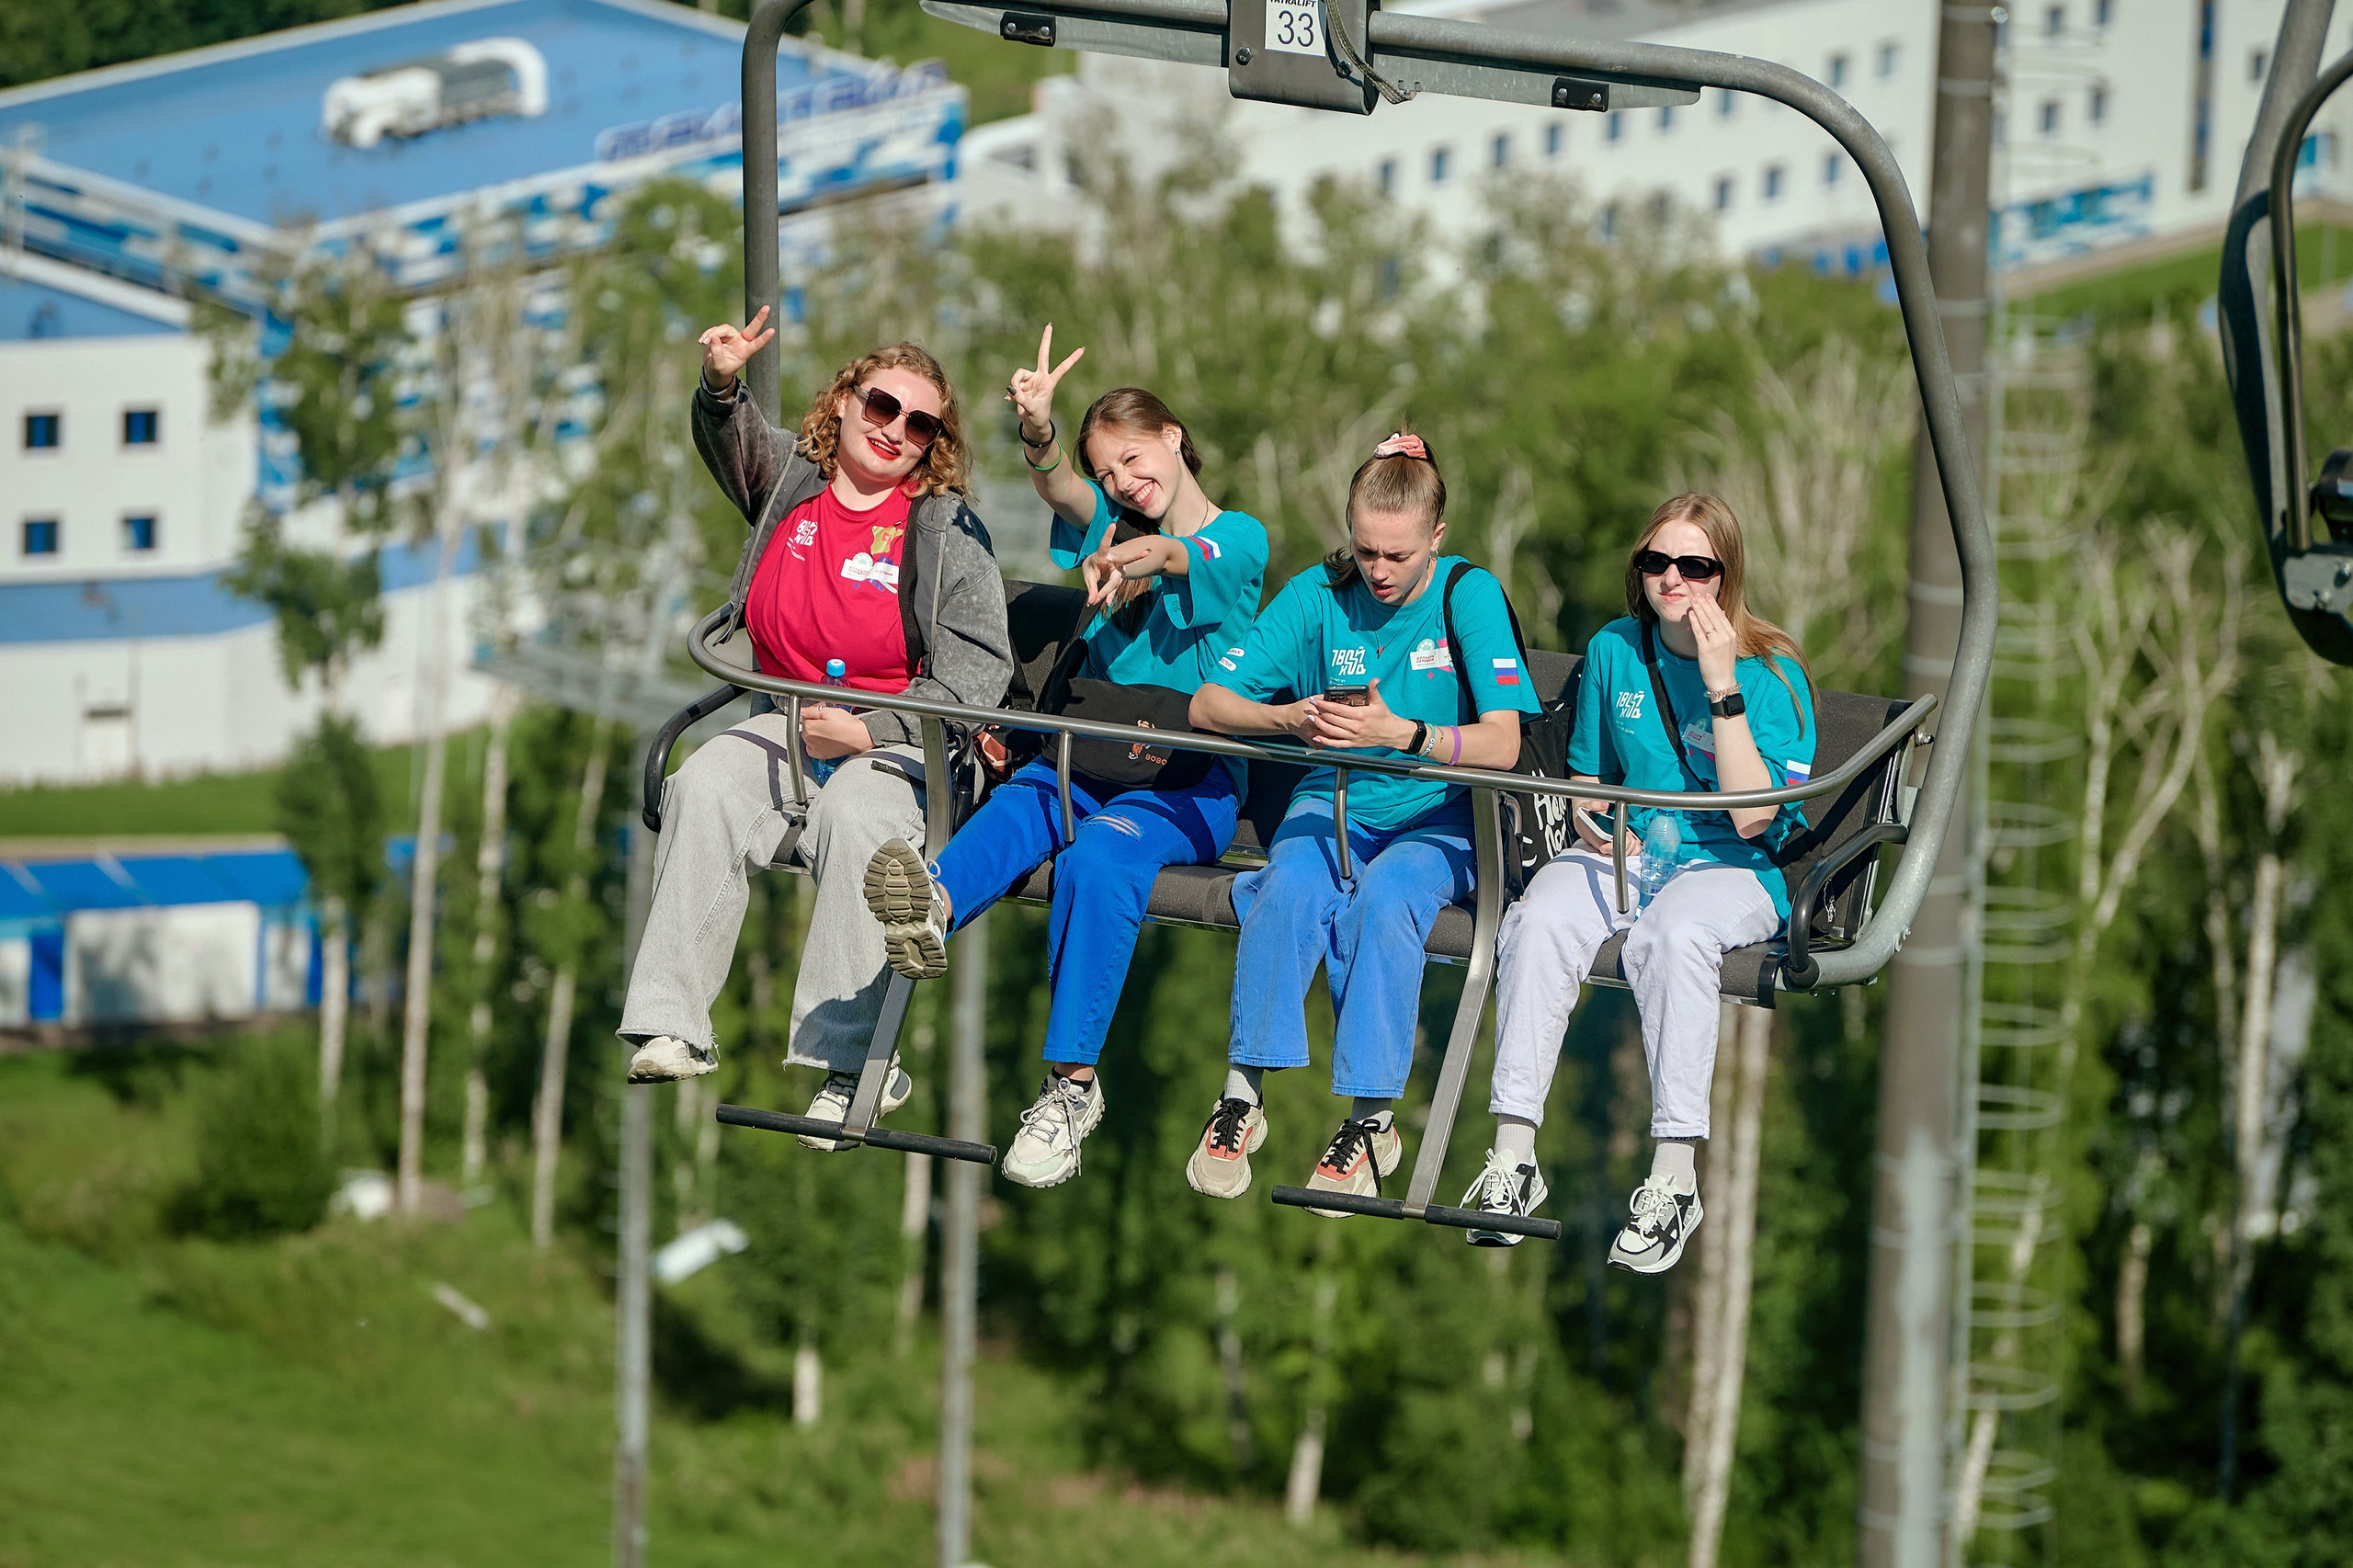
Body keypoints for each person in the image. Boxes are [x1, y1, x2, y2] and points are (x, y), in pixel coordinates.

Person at [860, 327, 1267, 1189]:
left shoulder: (1238, 538)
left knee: (1100, 856)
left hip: (1184, 782)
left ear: (1173, 438)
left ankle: (1071, 1088)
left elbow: (1176, 554)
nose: (1124, 483)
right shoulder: (1106, 522)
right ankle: (932, 905)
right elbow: (1062, 490)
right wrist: (1039, 431)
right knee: (1021, 805)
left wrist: (1130, 557)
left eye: (1131, 459)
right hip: (1089, 755)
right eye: (1111, 472)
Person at [621, 310, 1013, 1153]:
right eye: (880, 405)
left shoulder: (944, 531)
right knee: (704, 782)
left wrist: (872, 728)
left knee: (855, 820)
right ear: (843, 403)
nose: (893, 430)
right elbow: (731, 441)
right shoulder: (793, 486)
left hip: (900, 745)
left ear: (932, 444)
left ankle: (849, 1065)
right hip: (787, 722)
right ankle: (670, 1023)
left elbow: (978, 673)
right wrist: (722, 381)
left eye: (919, 424)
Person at [1185, 432, 1536, 1213]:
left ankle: (1370, 1119)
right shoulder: (1320, 593)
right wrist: (1286, 718)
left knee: (1385, 898)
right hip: (1333, 797)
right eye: (1365, 550)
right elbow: (1209, 704)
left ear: (1435, 540)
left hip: (1444, 811)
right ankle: (1243, 1092)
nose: (1378, 571)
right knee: (1291, 883)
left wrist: (1404, 735)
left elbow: (1504, 744)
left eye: (1397, 556)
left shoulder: (1466, 595)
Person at [1463, 493, 1814, 1265]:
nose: (1672, 579)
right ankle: (1514, 1154)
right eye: (1657, 561)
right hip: (1629, 850)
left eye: (1695, 565)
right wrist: (1595, 822)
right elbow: (1590, 775)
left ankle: (1674, 1177)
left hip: (1731, 864)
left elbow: (1757, 819)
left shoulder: (1770, 674)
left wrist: (1721, 684)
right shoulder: (1618, 650)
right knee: (1539, 918)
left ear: (1726, 575)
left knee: (1674, 936)